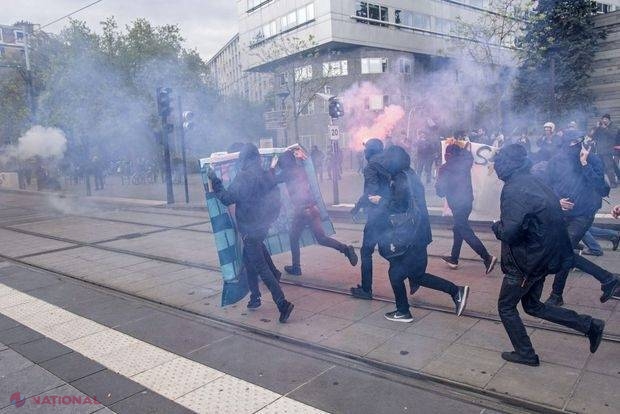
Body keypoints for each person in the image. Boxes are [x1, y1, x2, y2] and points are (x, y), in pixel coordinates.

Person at [492, 143, 606, 366]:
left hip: (525, 262)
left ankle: (525, 353)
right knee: (533, 306)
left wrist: (496, 226)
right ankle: (589, 325)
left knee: (506, 307)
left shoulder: (514, 188)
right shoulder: (534, 180)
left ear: (504, 165)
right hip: (541, 257)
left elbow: (510, 231)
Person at [369, 145, 469, 322]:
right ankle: (455, 291)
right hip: (418, 233)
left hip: (409, 236)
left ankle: (404, 311)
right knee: (416, 275)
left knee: (397, 274)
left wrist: (380, 200)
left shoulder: (400, 178)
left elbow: (398, 205)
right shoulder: (410, 173)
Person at [209, 143, 294, 323]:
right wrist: (270, 220)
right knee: (249, 261)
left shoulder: (244, 177)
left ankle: (283, 303)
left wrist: (215, 181)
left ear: (244, 159)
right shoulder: (265, 174)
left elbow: (227, 198)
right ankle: (254, 298)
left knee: (261, 267)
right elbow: (275, 199)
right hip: (261, 227)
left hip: (250, 229)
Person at [543, 133, 620, 306]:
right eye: (570, 143)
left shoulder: (593, 160)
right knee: (563, 252)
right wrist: (556, 199)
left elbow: (600, 188)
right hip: (561, 213)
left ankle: (556, 295)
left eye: (578, 142)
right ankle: (608, 279)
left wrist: (585, 163)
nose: (575, 146)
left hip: (584, 213)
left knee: (565, 248)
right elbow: (547, 184)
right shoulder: (556, 160)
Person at [274, 147, 358, 276]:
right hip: (313, 208)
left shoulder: (287, 172)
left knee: (293, 237)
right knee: (322, 238)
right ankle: (346, 249)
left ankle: (296, 267)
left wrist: (272, 166)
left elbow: (273, 180)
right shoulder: (301, 169)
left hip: (302, 210)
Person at [436, 143, 497, 274]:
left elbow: (440, 192)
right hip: (467, 202)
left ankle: (487, 258)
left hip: (457, 204)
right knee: (458, 228)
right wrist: (466, 147)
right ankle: (454, 259)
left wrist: (439, 184)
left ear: (448, 155)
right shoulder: (465, 163)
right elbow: (468, 155)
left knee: (464, 230)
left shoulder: (445, 169)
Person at [350, 138, 390, 299]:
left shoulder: (371, 166)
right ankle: (414, 274)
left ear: (371, 151)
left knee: (366, 251)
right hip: (387, 210)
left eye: (366, 149)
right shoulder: (387, 162)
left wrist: (357, 207)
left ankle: (366, 289)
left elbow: (371, 191)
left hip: (376, 214)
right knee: (385, 250)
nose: (364, 152)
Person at [592, 114, 619, 188]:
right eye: (603, 119)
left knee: (609, 167)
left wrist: (605, 128)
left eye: (605, 119)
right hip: (600, 150)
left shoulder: (613, 126)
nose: (604, 120)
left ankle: (613, 183)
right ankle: (601, 183)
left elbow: (613, 135)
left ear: (609, 120)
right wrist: (596, 128)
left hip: (608, 151)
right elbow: (593, 136)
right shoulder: (600, 127)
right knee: (599, 167)